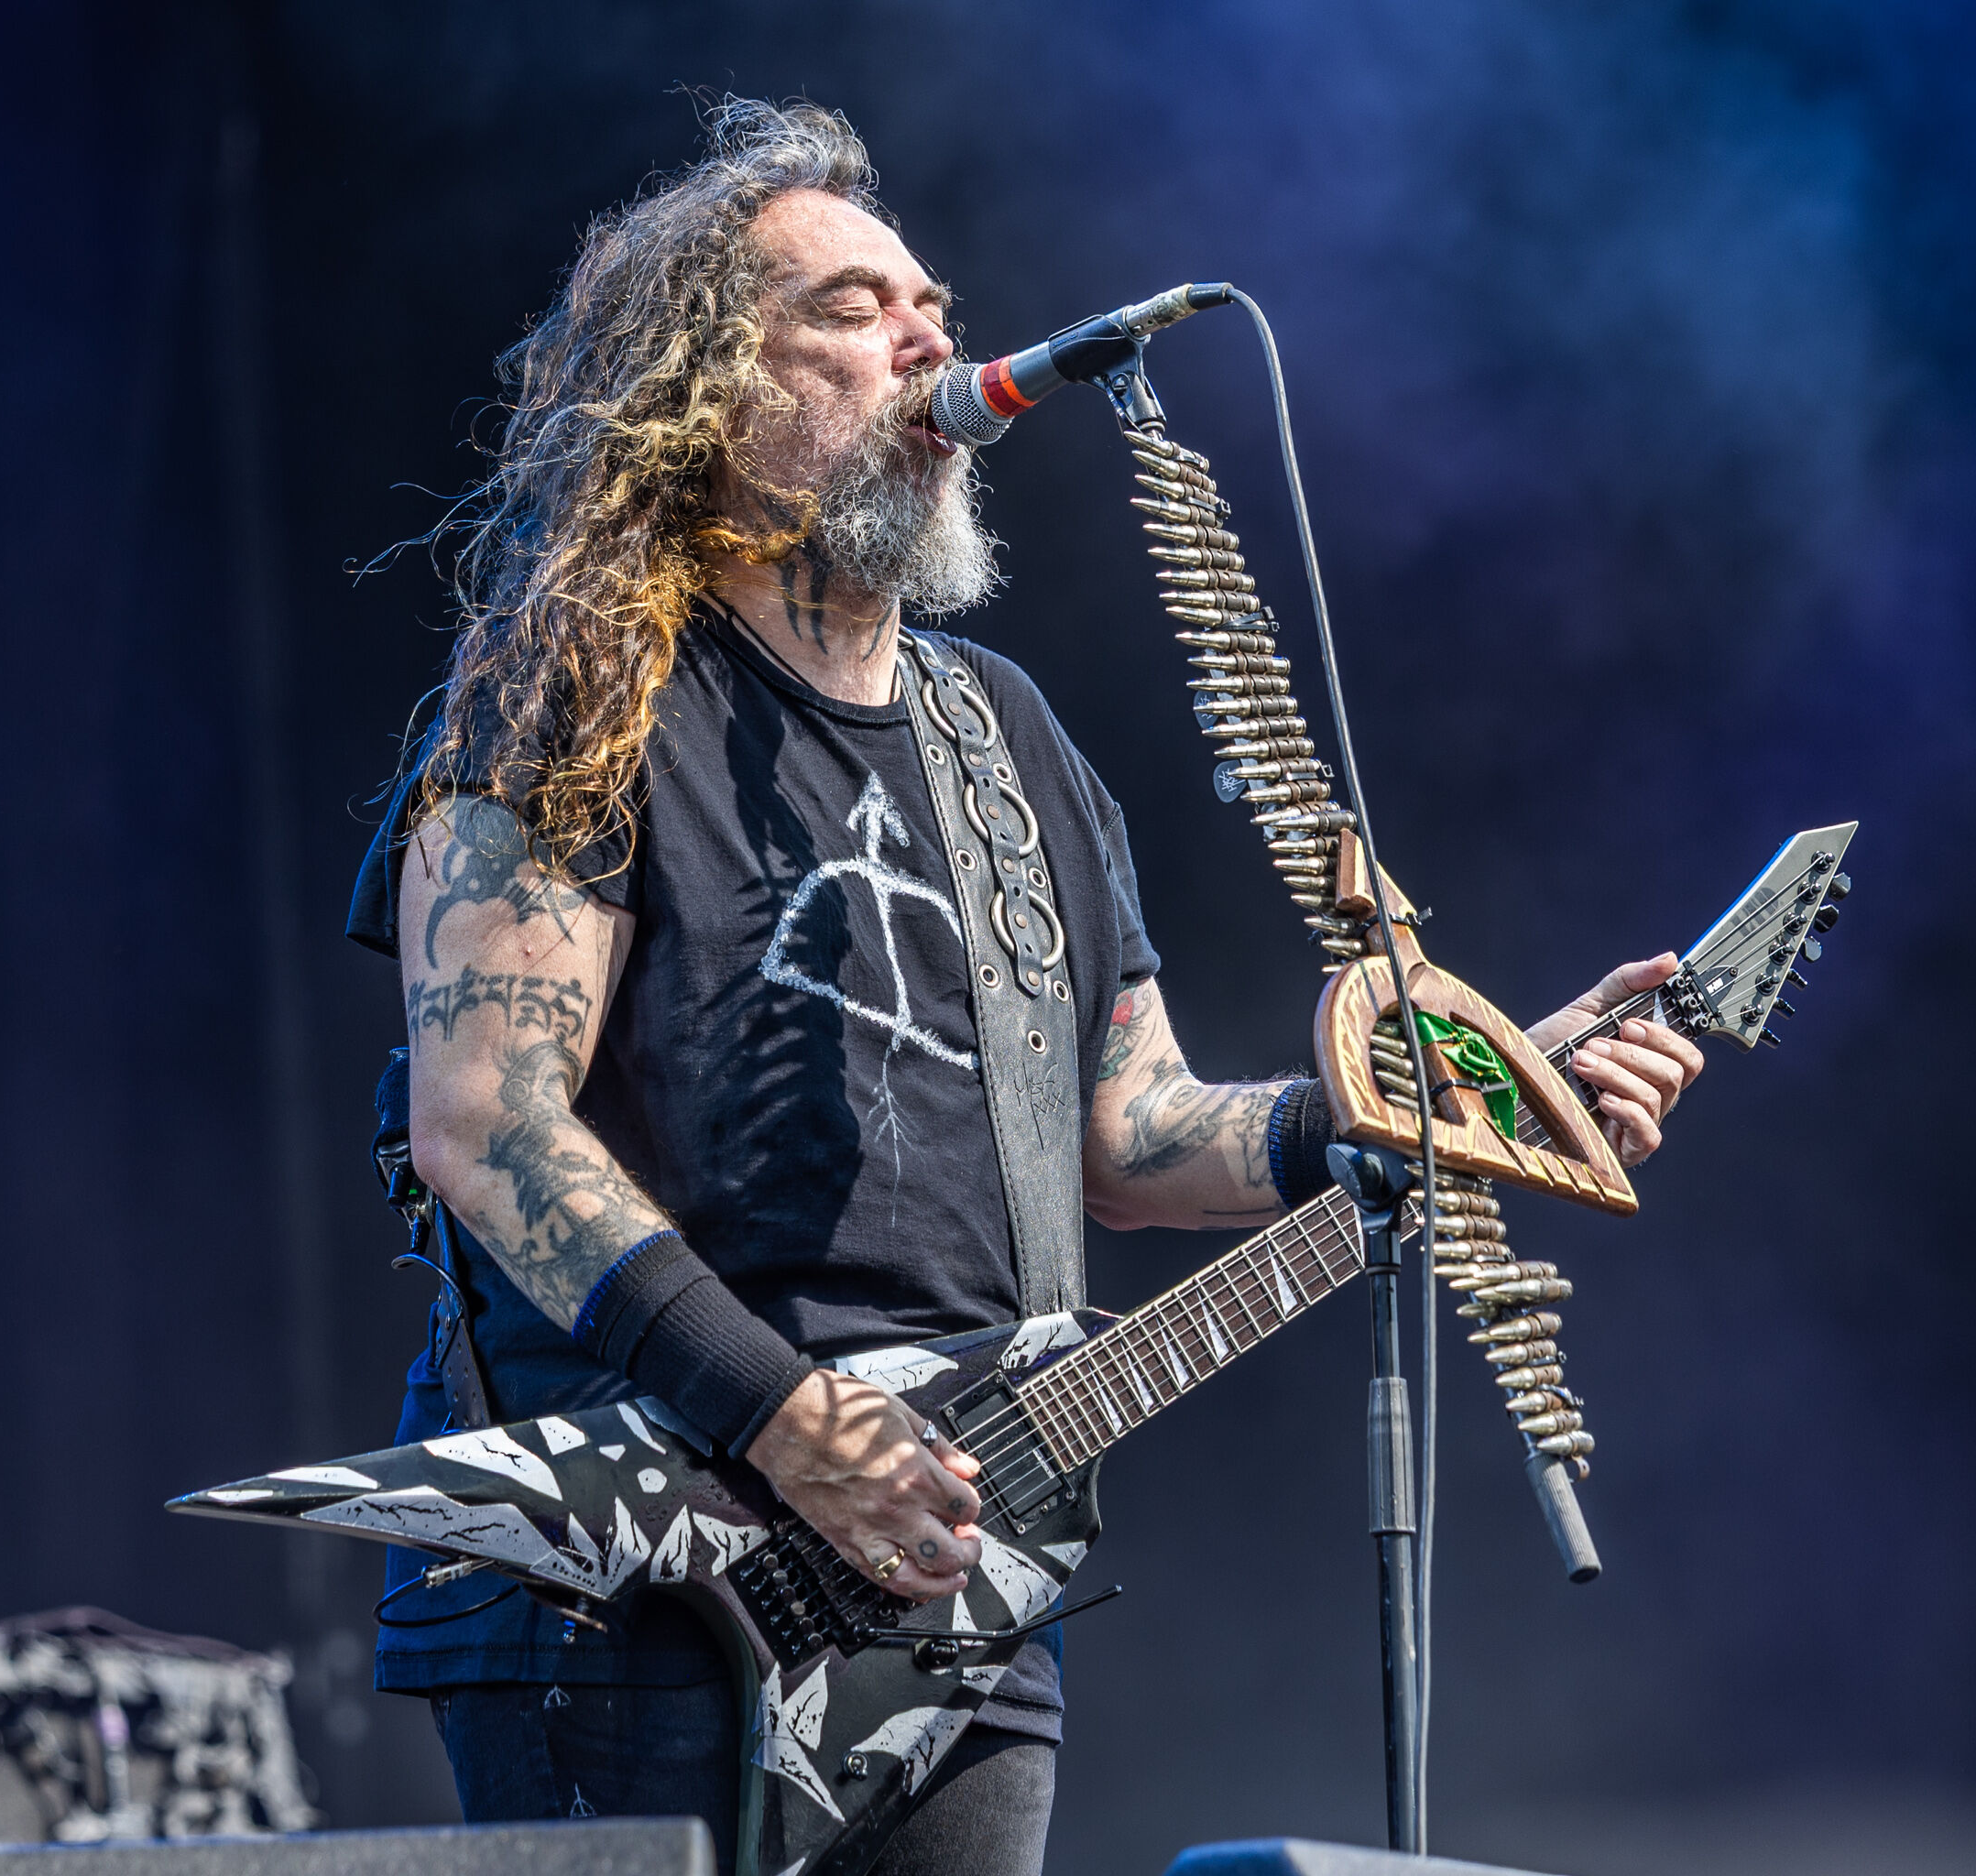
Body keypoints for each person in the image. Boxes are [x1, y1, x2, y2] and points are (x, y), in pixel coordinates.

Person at [342, 98, 1701, 1876]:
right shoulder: (574, 685)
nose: (927, 338)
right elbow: (490, 1126)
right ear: (704, 394)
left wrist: (1424, 1102)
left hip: (951, 1561)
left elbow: (1131, 1134)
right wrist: (788, 1417)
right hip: (635, 1560)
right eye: (850, 307)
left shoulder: (1007, 740)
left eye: (932, 301)